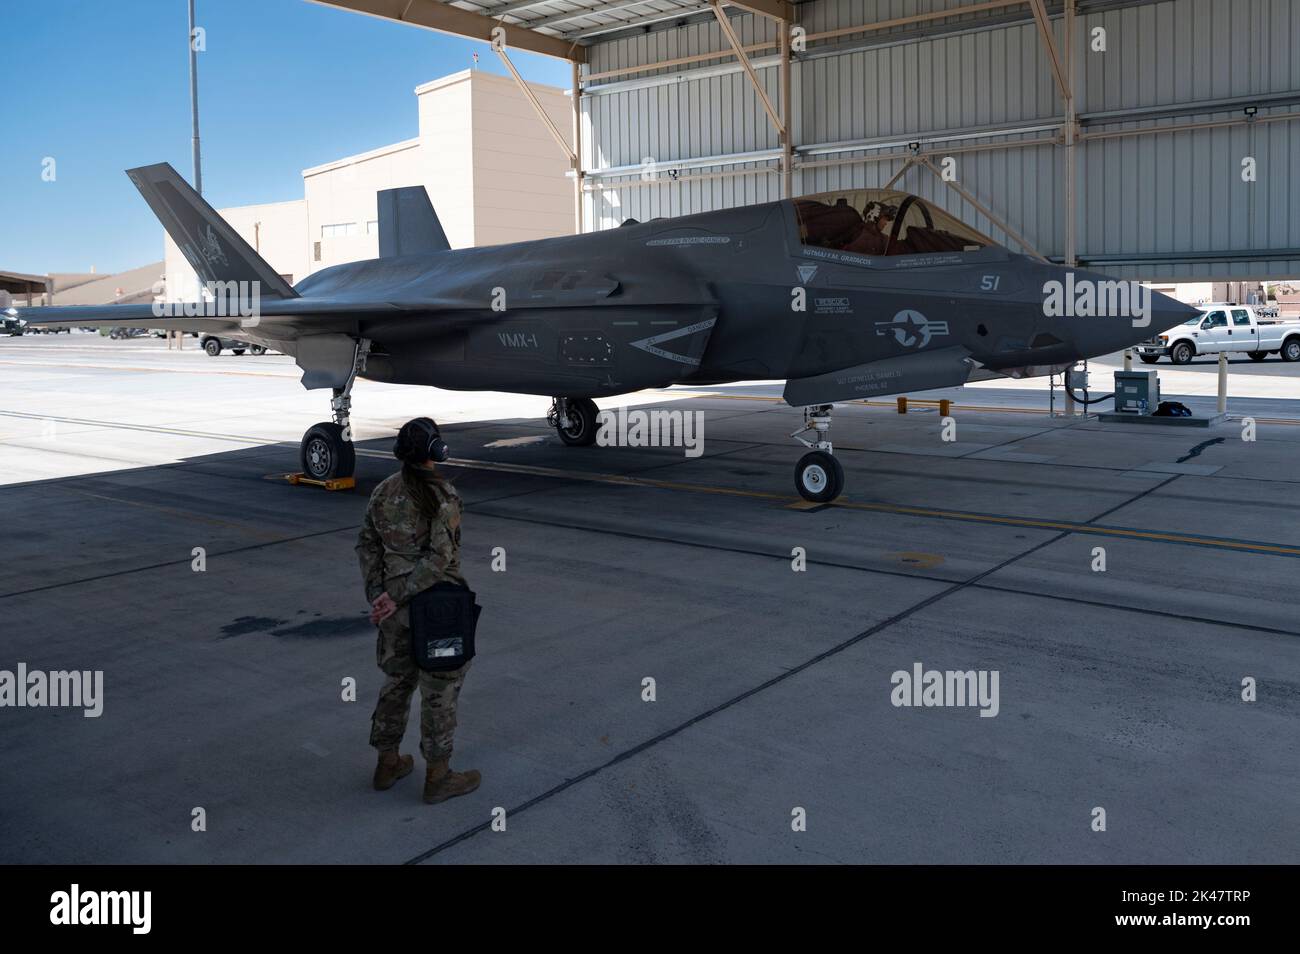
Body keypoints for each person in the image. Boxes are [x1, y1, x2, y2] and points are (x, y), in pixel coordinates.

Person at [356, 417, 481, 804]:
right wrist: (400, 595)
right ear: (435, 452)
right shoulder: (443, 495)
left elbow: (367, 546)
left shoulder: (382, 492)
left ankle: (387, 763)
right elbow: (441, 558)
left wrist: (379, 593)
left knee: (397, 684)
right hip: (437, 610)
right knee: (439, 691)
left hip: (395, 612)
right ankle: (439, 777)